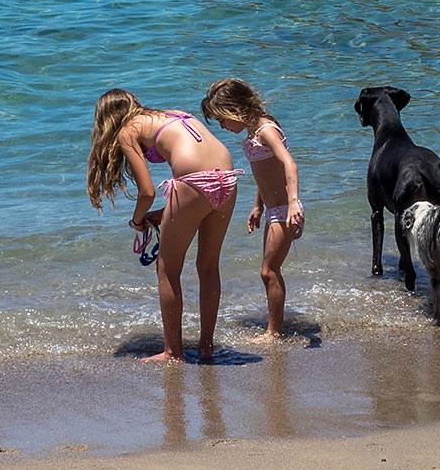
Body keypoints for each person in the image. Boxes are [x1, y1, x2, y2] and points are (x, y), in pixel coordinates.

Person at [88, 88, 243, 363]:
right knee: (208, 266)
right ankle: (207, 347)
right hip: (228, 179)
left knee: (167, 269)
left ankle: (173, 352)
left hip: (193, 184)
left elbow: (146, 192)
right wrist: (166, 211)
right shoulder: (171, 114)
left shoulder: (127, 131)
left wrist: (138, 220)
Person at [201, 78, 304, 340]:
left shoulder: (266, 130)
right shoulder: (253, 132)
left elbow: (289, 165)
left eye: (222, 120)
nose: (223, 126)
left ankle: (274, 332)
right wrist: (257, 206)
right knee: (268, 270)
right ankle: (275, 328)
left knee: (269, 271)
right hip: (273, 209)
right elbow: (267, 173)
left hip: (285, 210)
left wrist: (292, 203)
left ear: (234, 109)